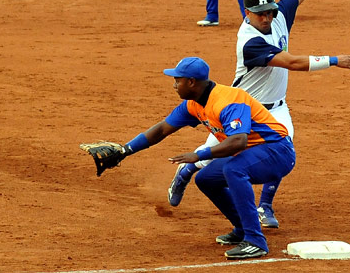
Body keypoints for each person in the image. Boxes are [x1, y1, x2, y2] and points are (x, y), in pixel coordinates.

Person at [168, 0, 350, 229]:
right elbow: (292, 63)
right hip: (239, 109)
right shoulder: (249, 41)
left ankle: (265, 206)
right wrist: (334, 60)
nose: (267, 17)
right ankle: (186, 170)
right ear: (247, 13)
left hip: (276, 109)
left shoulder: (279, 15)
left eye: (270, 11)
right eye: (260, 14)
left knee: (281, 148)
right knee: (212, 157)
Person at [116, 57, 295, 260]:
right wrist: (124, 151)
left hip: (277, 151)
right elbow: (161, 130)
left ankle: (255, 241)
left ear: (191, 82)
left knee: (234, 169)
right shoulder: (193, 104)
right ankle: (242, 229)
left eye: (178, 80)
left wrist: (199, 155)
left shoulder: (229, 99)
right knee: (206, 179)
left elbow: (238, 141)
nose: (174, 85)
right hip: (253, 153)